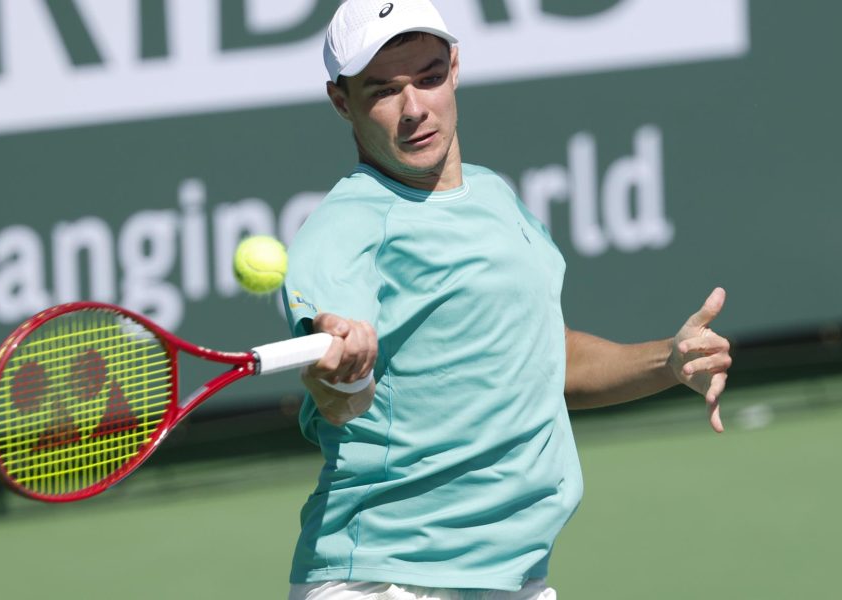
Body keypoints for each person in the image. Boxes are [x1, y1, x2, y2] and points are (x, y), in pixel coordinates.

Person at [283, 1, 732, 598]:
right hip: (385, 579)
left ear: (456, 67)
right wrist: (341, 375)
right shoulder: (342, 227)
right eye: (384, 90)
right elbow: (337, 389)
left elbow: (544, 361)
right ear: (342, 102)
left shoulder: (496, 196)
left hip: (512, 575)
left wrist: (669, 361)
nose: (415, 108)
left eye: (429, 77)